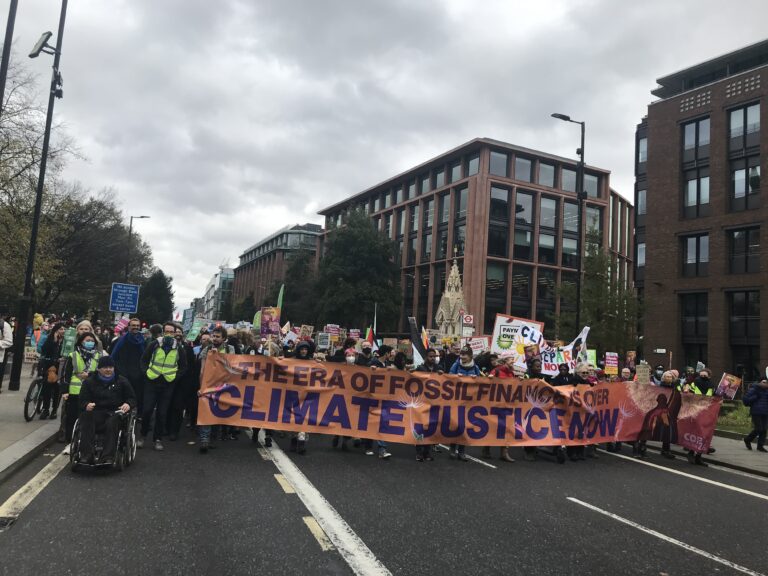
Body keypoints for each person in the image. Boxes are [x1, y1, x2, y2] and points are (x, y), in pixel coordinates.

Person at [76, 356, 136, 465]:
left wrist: (128, 404)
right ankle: (86, 455)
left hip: (115, 412)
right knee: (86, 417)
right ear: (98, 369)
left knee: (113, 421)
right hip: (96, 412)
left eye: (110, 367)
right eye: (105, 367)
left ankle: (107, 457)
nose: (108, 369)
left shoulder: (122, 381)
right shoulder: (89, 382)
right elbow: (82, 400)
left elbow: (132, 398)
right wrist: (86, 404)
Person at [139, 322, 188, 451]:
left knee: (162, 413)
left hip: (167, 384)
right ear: (162, 332)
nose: (169, 334)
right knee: (147, 410)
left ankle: (158, 439)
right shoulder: (154, 344)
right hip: (152, 381)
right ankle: (143, 435)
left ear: (175, 333)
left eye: (172, 332)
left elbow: (183, 367)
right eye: (167, 331)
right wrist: (146, 373)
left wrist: (174, 378)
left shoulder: (179, 348)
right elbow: (143, 360)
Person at [61, 332, 103, 452]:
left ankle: (90, 442)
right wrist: (65, 391)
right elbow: (66, 374)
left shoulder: (99, 356)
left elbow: (103, 372)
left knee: (91, 419)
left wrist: (89, 374)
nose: (90, 343)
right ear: (81, 342)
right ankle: (70, 443)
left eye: (92, 341)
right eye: (87, 340)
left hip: (92, 393)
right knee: (72, 418)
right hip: (74, 392)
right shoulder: (73, 355)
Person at [197, 326, 234, 453]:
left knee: (218, 412)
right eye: (213, 336)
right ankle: (204, 440)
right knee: (206, 411)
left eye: (218, 337)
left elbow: (232, 368)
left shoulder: (230, 349)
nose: (214, 339)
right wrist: (201, 387)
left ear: (224, 338)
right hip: (208, 385)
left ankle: (213, 438)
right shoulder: (206, 349)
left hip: (223, 386)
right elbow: (202, 370)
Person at [482, 353, 516, 463]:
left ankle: (504, 453)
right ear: (505, 361)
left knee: (507, 428)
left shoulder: (512, 373)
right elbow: (487, 385)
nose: (513, 361)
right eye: (511, 359)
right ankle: (486, 448)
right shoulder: (496, 371)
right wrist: (489, 379)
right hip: (495, 404)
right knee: (492, 427)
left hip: (507, 404)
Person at [448, 347, 480, 461]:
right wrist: (456, 377)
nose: (462, 357)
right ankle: (452, 449)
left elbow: (481, 382)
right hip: (456, 401)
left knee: (465, 426)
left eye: (464, 355)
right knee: (456, 425)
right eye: (461, 354)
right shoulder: (456, 365)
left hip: (469, 402)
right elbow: (449, 377)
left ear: (470, 356)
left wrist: (477, 378)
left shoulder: (475, 367)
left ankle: (462, 451)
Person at [110, 318, 147, 415]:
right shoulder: (119, 341)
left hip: (138, 376)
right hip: (123, 374)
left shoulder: (143, 342)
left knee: (137, 397)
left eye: (137, 325)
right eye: (133, 325)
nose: (135, 327)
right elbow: (113, 356)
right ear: (129, 326)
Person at [167, 325, 196, 441]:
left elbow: (191, 367)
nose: (178, 334)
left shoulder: (188, 348)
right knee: (168, 405)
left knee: (178, 407)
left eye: (180, 332)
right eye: (176, 332)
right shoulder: (165, 346)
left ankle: (174, 431)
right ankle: (166, 428)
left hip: (182, 382)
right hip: (168, 381)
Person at [413, 348, 442, 462]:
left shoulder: (438, 368)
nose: (433, 358)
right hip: (422, 401)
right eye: (430, 356)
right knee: (420, 427)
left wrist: (441, 374)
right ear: (426, 357)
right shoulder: (420, 368)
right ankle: (419, 453)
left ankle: (427, 452)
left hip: (434, 402)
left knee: (430, 428)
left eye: (434, 357)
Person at [366, 345, 393, 459]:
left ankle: (382, 449)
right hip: (372, 397)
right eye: (390, 353)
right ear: (386, 353)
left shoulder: (386, 365)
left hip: (384, 398)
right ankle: (368, 446)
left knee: (383, 422)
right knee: (371, 422)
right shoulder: (373, 363)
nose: (391, 355)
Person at [38, 322, 65, 419]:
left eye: (63, 329)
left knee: (57, 388)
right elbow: (44, 349)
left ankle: (54, 410)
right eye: (60, 329)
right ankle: (46, 409)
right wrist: (53, 340)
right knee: (47, 388)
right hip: (49, 365)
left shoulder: (65, 341)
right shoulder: (51, 339)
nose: (62, 331)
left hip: (60, 367)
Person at [743, 379, 768, 452]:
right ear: (759, 382)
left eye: (766, 382)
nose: (765, 383)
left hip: (765, 412)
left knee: (764, 429)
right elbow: (745, 400)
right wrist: (756, 397)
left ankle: (760, 446)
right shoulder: (754, 389)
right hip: (756, 411)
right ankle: (747, 439)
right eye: (763, 382)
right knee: (759, 428)